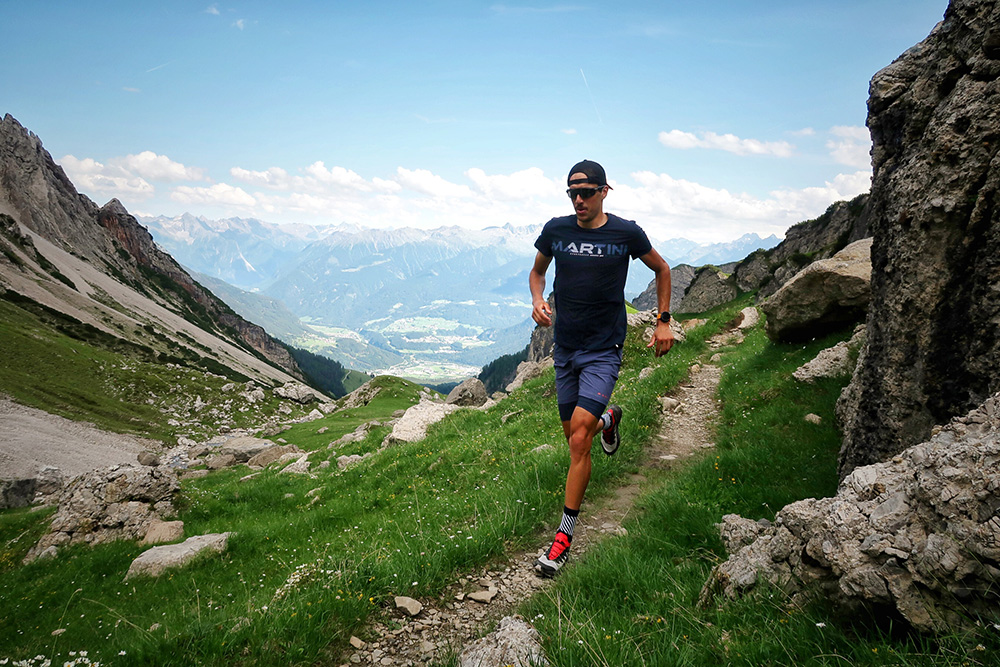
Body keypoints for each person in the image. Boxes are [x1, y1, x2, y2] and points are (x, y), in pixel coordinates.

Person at [529, 159, 674, 577]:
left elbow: (662, 269)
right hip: (565, 349)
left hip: (603, 349)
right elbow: (537, 272)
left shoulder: (626, 233)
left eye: (586, 192)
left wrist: (663, 321)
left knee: (579, 440)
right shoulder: (556, 230)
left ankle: (563, 537)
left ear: (604, 192)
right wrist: (537, 300)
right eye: (572, 193)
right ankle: (608, 420)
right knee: (575, 436)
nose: (578, 200)